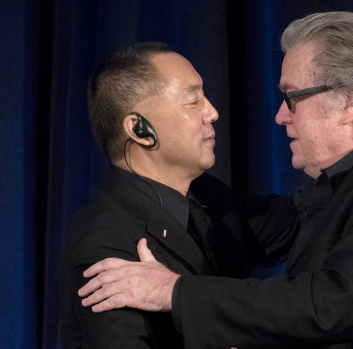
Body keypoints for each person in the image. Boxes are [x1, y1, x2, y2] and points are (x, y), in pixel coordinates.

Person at [79, 11, 353, 348]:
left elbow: (328, 305)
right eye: (193, 100)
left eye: (292, 98)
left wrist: (172, 291)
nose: (280, 116)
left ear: (351, 102)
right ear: (139, 128)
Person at [59, 42, 298, 348]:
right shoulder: (104, 244)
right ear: (140, 129)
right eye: (192, 101)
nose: (212, 112)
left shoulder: (209, 196)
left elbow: (306, 219)